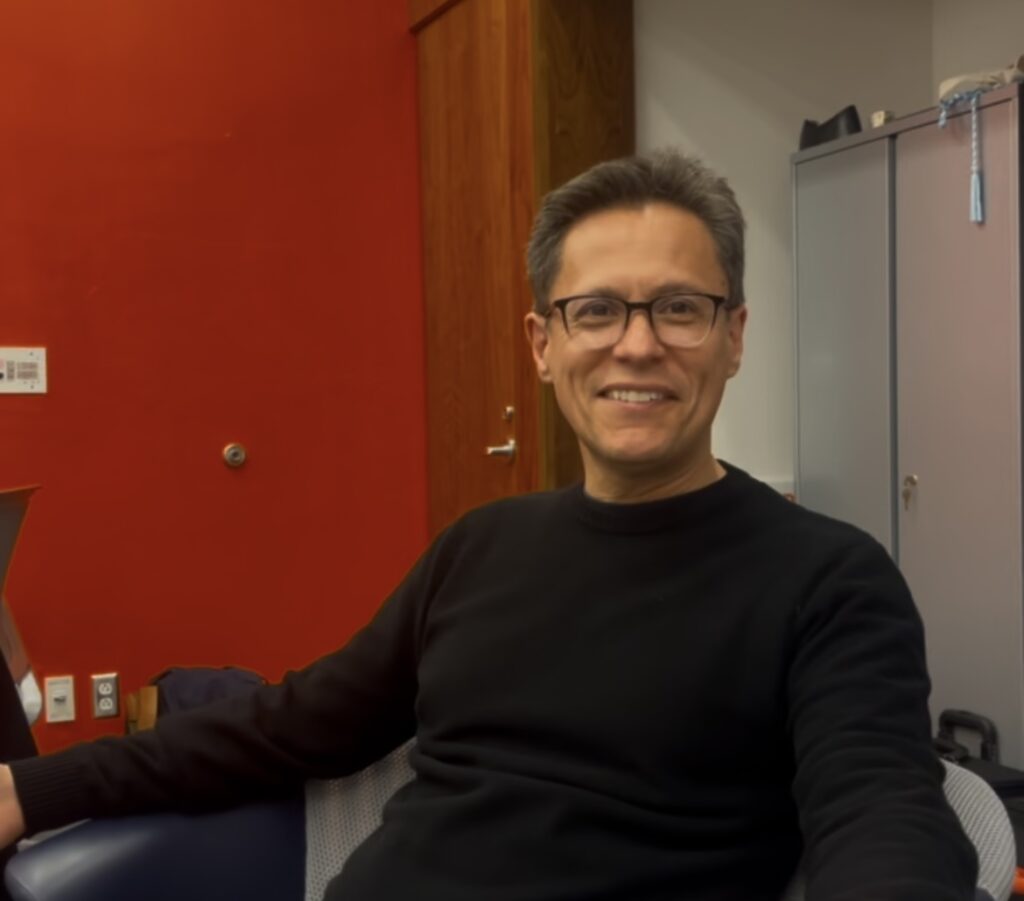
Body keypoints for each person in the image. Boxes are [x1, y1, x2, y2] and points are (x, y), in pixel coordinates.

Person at [0, 150, 978, 900]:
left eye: (679, 307)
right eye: (595, 311)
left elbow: (879, 805)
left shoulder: (826, 578)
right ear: (543, 345)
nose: (636, 344)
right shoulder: (481, 547)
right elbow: (288, 725)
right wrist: (29, 791)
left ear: (733, 338)